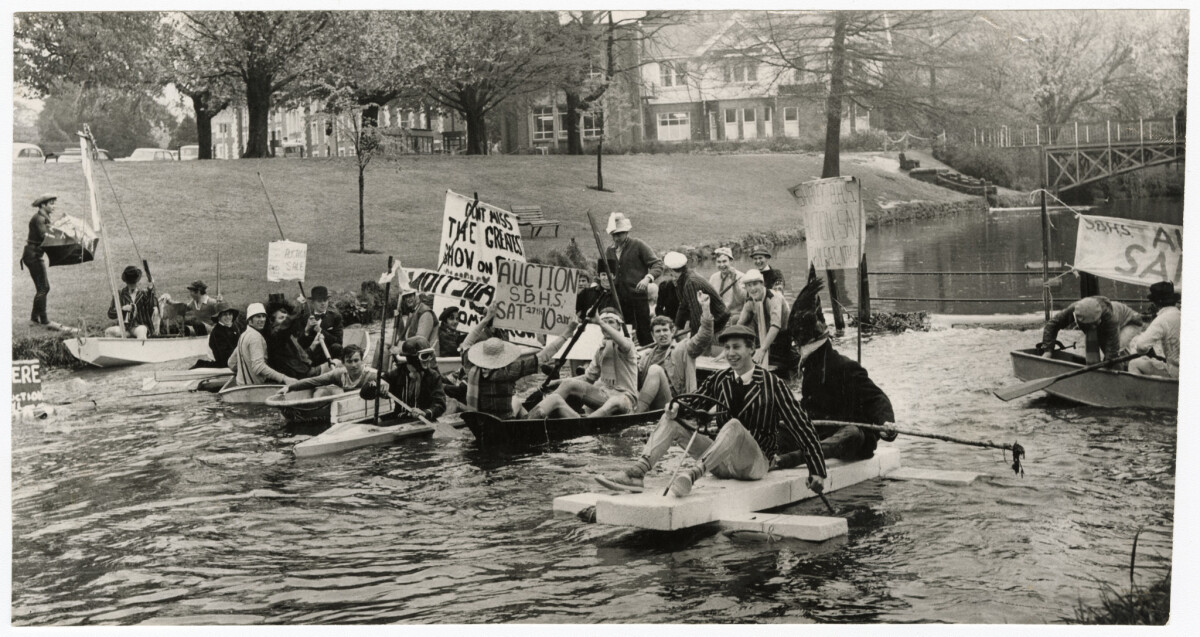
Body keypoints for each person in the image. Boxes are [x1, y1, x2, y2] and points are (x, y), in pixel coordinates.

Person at [596, 325, 827, 497]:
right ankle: (637, 473)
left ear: (751, 349)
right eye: (727, 348)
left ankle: (692, 475)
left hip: (754, 464)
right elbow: (694, 406)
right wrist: (677, 408)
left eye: (736, 347)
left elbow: (802, 426)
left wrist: (817, 470)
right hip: (720, 461)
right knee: (671, 418)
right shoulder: (719, 378)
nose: (730, 353)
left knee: (734, 425)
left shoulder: (772, 384)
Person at [777, 277, 896, 463]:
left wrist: (886, 423)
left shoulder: (845, 367)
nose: (796, 346)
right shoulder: (811, 366)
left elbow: (876, 398)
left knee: (851, 434)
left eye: (798, 342)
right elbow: (810, 407)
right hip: (821, 431)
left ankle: (788, 460)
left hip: (851, 434)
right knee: (778, 429)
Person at [457, 304, 573, 418]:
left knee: (516, 401)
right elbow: (543, 356)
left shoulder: (471, 368)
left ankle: (525, 417)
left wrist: (486, 318)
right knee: (555, 399)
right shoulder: (507, 372)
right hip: (505, 423)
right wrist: (566, 334)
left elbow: (466, 343)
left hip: (482, 421)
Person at [528, 308, 638, 419]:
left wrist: (600, 322)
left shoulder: (628, 345)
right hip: (604, 395)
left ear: (619, 326)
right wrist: (556, 382)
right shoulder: (601, 350)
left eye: (611, 322)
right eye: (605, 322)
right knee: (569, 384)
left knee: (614, 401)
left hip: (625, 399)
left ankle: (585, 423)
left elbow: (623, 344)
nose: (607, 325)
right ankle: (543, 413)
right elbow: (588, 378)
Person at [636, 291, 716, 412]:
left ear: (672, 332)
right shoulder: (646, 356)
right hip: (652, 402)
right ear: (652, 335)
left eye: (665, 330)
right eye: (658, 331)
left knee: (655, 370)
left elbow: (704, 336)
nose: (662, 334)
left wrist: (705, 308)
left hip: (675, 404)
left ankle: (636, 414)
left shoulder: (683, 348)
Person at [605, 212, 664, 345]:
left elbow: (658, 264)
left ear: (626, 232)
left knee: (643, 332)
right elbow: (605, 272)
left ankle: (647, 354)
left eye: (620, 234)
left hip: (637, 297)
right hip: (618, 298)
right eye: (614, 234)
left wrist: (647, 279)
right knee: (622, 331)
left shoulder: (638, 245)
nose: (617, 238)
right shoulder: (609, 251)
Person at [360, 337, 447, 421]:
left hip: (423, 422)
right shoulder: (396, 374)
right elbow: (364, 393)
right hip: (399, 419)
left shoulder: (433, 376)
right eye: (425, 356)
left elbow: (440, 405)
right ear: (413, 358)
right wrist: (377, 384)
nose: (428, 360)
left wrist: (425, 413)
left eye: (430, 355)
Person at [1041, 296, 1143, 365]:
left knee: (1117, 350)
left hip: (1131, 322)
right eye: (1093, 324)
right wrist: (1048, 350)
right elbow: (1052, 324)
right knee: (1094, 349)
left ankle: (1129, 371)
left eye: (1097, 322)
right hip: (1108, 323)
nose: (1095, 326)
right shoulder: (1075, 309)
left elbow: (1112, 351)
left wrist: (1108, 364)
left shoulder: (1111, 319)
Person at [737, 268, 798, 376]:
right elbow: (740, 324)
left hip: (783, 336)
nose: (752, 289)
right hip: (763, 333)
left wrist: (762, 349)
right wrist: (729, 346)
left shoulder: (774, 298)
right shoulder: (750, 301)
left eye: (755, 284)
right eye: (749, 285)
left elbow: (775, 326)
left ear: (762, 284)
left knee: (783, 364)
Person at [663, 251, 729, 338]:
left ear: (670, 270)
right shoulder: (684, 278)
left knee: (692, 340)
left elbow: (697, 313)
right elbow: (683, 305)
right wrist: (676, 327)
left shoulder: (691, 282)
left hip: (718, 320)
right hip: (710, 318)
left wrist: (694, 339)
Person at [228, 303, 295, 386]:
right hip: (254, 388)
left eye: (263, 316)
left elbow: (231, 363)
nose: (262, 319)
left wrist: (244, 374)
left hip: (240, 385)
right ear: (250, 320)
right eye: (258, 316)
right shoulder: (255, 337)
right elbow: (259, 367)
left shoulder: (243, 335)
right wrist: (284, 378)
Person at [1126, 282, 1181, 378]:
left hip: (1176, 373)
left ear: (1157, 303)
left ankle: (1143, 388)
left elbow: (1141, 346)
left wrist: (1144, 352)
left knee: (1134, 364)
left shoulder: (1162, 319)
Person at [278, 344, 375, 398]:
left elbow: (384, 379)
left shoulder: (372, 375)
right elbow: (314, 381)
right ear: (343, 363)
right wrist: (289, 388)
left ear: (362, 361)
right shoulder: (338, 374)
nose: (353, 365)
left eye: (356, 360)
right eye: (349, 361)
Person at [22, 194, 56, 326]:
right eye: (51, 204)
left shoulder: (43, 218)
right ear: (43, 205)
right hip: (33, 256)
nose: (54, 206)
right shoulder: (39, 219)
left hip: (34, 255)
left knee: (43, 287)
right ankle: (44, 320)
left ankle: (35, 318)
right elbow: (44, 236)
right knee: (44, 287)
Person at [105, 265, 160, 339]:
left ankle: (140, 347)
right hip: (125, 328)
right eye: (130, 282)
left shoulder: (144, 294)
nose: (132, 285)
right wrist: (122, 309)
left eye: (133, 282)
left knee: (141, 330)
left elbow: (151, 306)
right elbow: (110, 314)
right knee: (108, 332)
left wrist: (150, 289)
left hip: (139, 327)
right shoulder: (120, 294)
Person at [266, 302, 315, 380]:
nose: (285, 320)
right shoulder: (275, 336)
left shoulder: (290, 336)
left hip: (304, 370)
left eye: (286, 317)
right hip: (293, 377)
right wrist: (298, 308)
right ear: (272, 321)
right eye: (281, 318)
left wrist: (312, 340)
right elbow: (283, 328)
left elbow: (300, 355)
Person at [297, 285, 344, 367]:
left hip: (329, 355)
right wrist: (307, 329)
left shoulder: (335, 317)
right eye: (319, 301)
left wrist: (321, 331)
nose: (323, 303)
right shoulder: (304, 318)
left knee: (337, 347)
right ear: (313, 303)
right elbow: (299, 344)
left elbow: (339, 341)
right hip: (311, 356)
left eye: (325, 300)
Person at [194, 301, 242, 369]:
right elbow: (224, 355)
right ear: (219, 317)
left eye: (230, 314)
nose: (228, 317)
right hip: (224, 363)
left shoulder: (234, 327)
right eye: (225, 315)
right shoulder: (217, 332)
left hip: (236, 359)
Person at [709, 247, 747, 317]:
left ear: (731, 261)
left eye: (724, 261)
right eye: (719, 262)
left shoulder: (742, 277)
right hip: (718, 316)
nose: (721, 265)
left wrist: (734, 282)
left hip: (734, 315)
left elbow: (742, 300)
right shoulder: (713, 277)